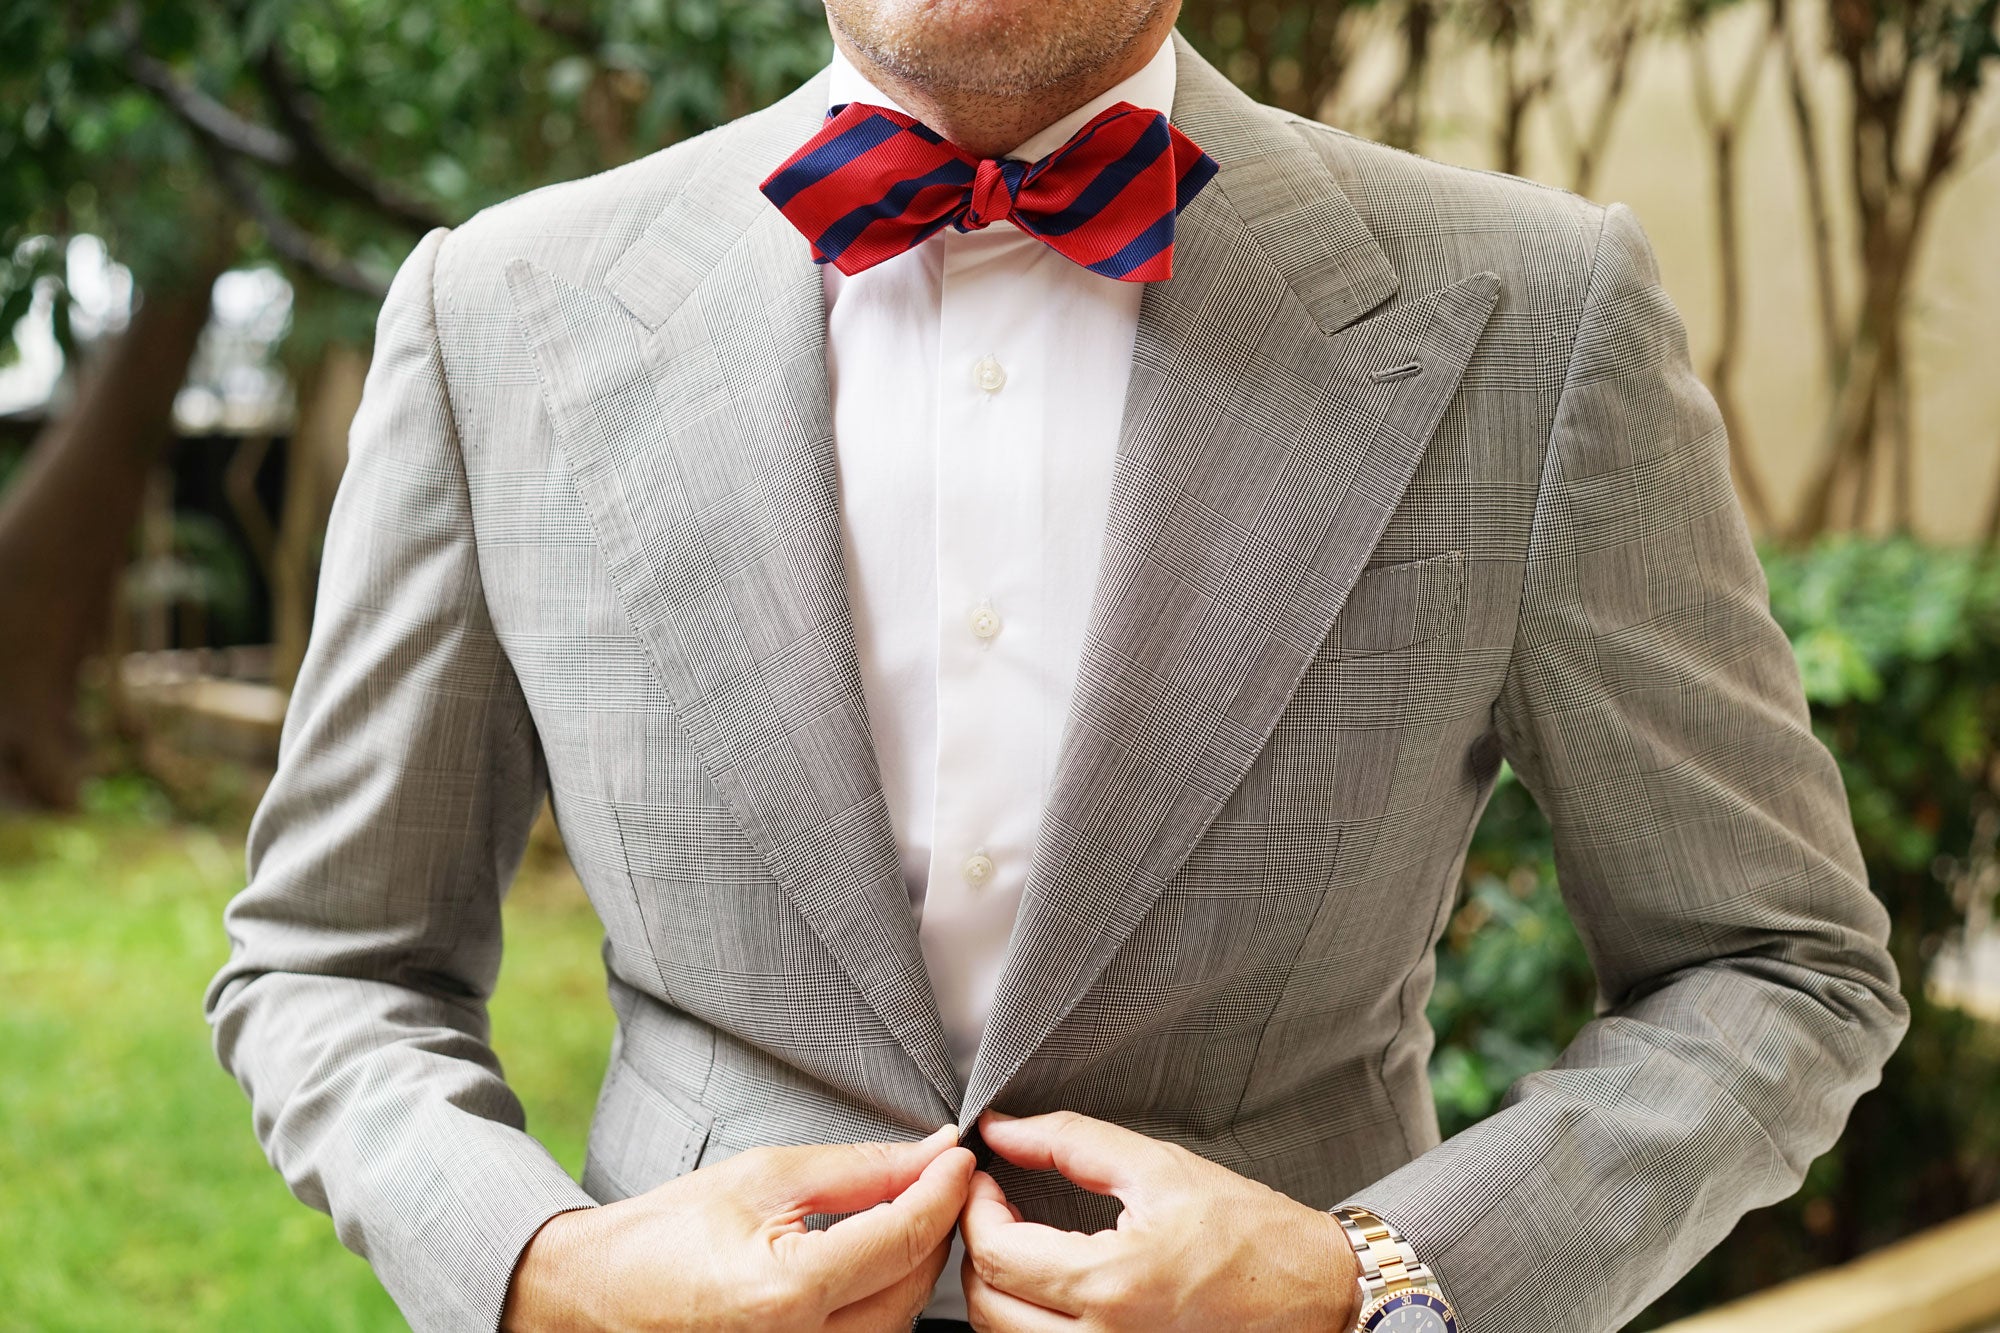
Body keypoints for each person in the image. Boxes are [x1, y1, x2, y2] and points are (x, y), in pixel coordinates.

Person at [204, 1, 1909, 1330]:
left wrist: (1374, 1278)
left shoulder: (1532, 316)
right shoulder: (499, 312)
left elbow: (1779, 965)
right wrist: (539, 1270)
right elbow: (330, 962)